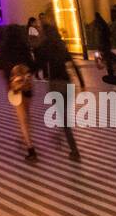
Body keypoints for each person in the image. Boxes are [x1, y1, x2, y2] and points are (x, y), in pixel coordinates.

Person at [35, 12, 83, 160]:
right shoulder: (60, 45)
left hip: (55, 84)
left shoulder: (44, 46)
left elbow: (38, 65)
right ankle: (63, 135)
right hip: (68, 83)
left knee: (63, 119)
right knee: (65, 117)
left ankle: (74, 150)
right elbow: (73, 63)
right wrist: (82, 82)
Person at [0, 24, 38, 160]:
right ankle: (24, 136)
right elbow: (33, 66)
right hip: (27, 86)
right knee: (27, 113)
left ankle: (30, 147)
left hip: (15, 88)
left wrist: (8, 80)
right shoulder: (24, 48)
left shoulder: (4, 50)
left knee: (21, 118)